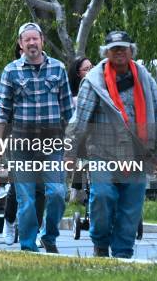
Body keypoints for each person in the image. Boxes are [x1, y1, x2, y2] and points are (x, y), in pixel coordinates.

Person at [66, 31, 157, 258]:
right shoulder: (94, 81)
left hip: (138, 154)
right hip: (102, 154)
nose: (119, 52)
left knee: (130, 210)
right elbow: (79, 120)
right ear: (106, 53)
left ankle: (123, 254)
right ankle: (101, 243)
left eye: (124, 47)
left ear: (132, 50)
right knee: (102, 197)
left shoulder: (145, 79)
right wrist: (70, 153)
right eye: (115, 49)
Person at [0, 22, 73, 253]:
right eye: (26, 40)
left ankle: (49, 236)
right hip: (21, 145)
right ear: (20, 44)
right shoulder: (11, 71)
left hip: (52, 143)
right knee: (26, 199)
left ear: (42, 41)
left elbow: (69, 112)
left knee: (57, 193)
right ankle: (28, 246)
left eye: (34, 39)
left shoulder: (58, 69)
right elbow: (2, 113)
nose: (31, 43)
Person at [0, 44, 46, 245]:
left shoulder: (46, 74)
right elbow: (1, 111)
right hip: (17, 138)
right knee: (19, 186)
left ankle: (33, 231)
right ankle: (9, 221)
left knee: (40, 187)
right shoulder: (9, 74)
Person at [67, 56, 94, 204]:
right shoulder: (71, 94)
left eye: (92, 67)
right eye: (86, 69)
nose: (90, 71)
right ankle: (76, 191)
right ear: (78, 73)